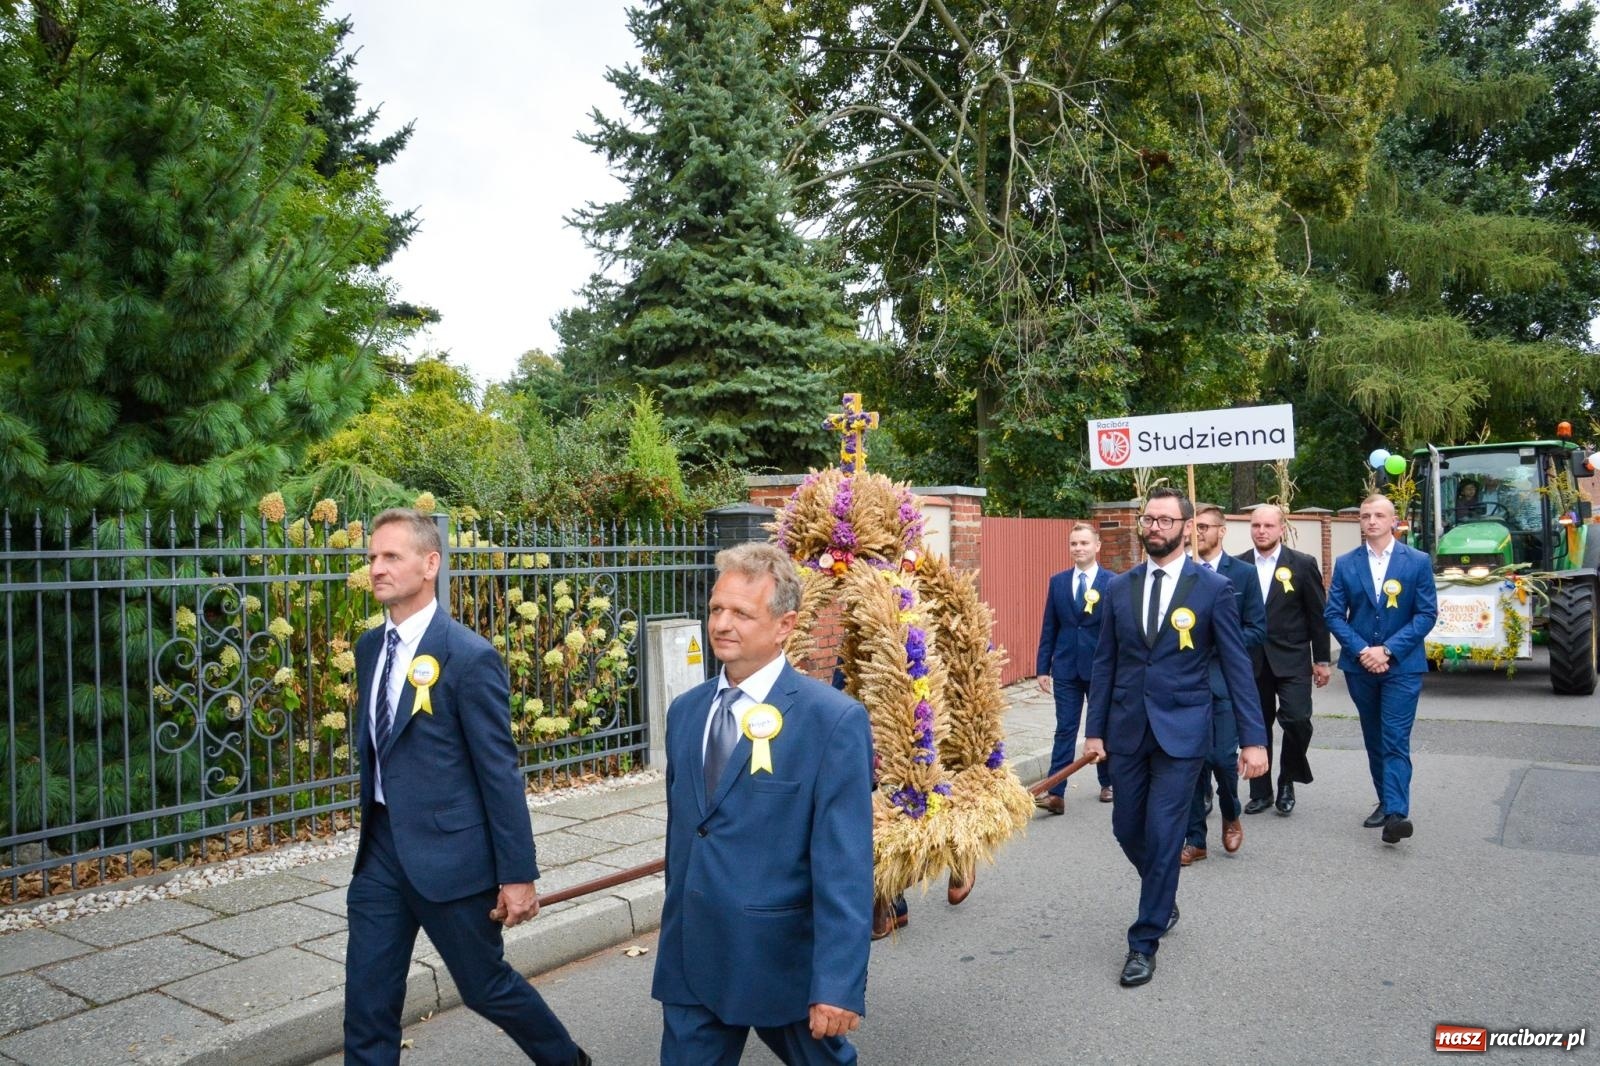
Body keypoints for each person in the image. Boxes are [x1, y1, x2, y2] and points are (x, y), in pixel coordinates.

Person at [344, 509, 589, 1066]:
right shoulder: (368, 649)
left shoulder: (469, 656)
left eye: (390, 557)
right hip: (380, 850)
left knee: (485, 987)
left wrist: (517, 873)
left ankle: (567, 1061)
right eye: (372, 557)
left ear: (430, 564)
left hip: (450, 857)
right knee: (367, 1000)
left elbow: (498, 772)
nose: (375, 568)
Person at [653, 542, 874, 1065]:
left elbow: (845, 864)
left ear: (784, 625)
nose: (721, 624)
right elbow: (685, 835)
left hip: (781, 956)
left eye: (741, 613)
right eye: (716, 609)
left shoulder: (832, 721)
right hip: (694, 954)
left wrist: (838, 982)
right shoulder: (686, 712)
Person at [1085, 488, 1268, 988]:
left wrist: (1253, 739)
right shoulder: (1120, 588)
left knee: (1166, 833)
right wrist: (1094, 730)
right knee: (1126, 828)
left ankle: (1143, 940)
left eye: (1166, 520)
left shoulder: (1212, 590)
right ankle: (1163, 895)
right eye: (1149, 519)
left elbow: (1235, 665)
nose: (1156, 527)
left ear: (1187, 528)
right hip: (1126, 729)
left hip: (1184, 731)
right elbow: (1106, 663)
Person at [1324, 494, 1439, 844]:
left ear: (1394, 521)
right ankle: (1386, 800)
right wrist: (1362, 650)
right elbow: (1333, 614)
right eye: (1365, 516)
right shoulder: (1346, 564)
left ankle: (1396, 814)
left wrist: (1388, 649)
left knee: (1394, 738)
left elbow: (1426, 614)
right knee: (1374, 736)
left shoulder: (1416, 561)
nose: (1371, 521)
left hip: (1402, 667)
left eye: (1378, 515)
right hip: (1361, 668)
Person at [1181, 505, 1266, 866]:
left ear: (1222, 530)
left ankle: (1230, 813)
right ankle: (1195, 839)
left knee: (1220, 759)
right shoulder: (1180, 574)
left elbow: (1258, 628)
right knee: (1191, 763)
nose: (1197, 533)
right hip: (1186, 684)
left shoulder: (1243, 575)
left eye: (1204, 527)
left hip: (1224, 683)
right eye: (1193, 527)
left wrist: (1219, 639)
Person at [1237, 504, 1331, 817]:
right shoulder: (1239, 566)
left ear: (1281, 529)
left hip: (1292, 659)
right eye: (1256, 525)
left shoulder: (1302, 564)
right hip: (1252, 661)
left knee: (1297, 720)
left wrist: (1322, 659)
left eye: (1267, 525)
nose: (1261, 531)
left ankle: (1288, 778)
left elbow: (1318, 615)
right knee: (1256, 727)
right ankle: (1260, 791)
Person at [1034, 521, 1115, 813]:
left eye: (1083, 543)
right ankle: (1055, 791)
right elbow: (1049, 627)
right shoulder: (1058, 582)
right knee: (1065, 729)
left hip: (1101, 669)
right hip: (1066, 667)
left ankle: (1108, 782)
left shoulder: (1112, 582)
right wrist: (1043, 667)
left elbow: (1119, 631)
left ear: (1097, 546)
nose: (1078, 548)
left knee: (1103, 727)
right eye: (1073, 544)